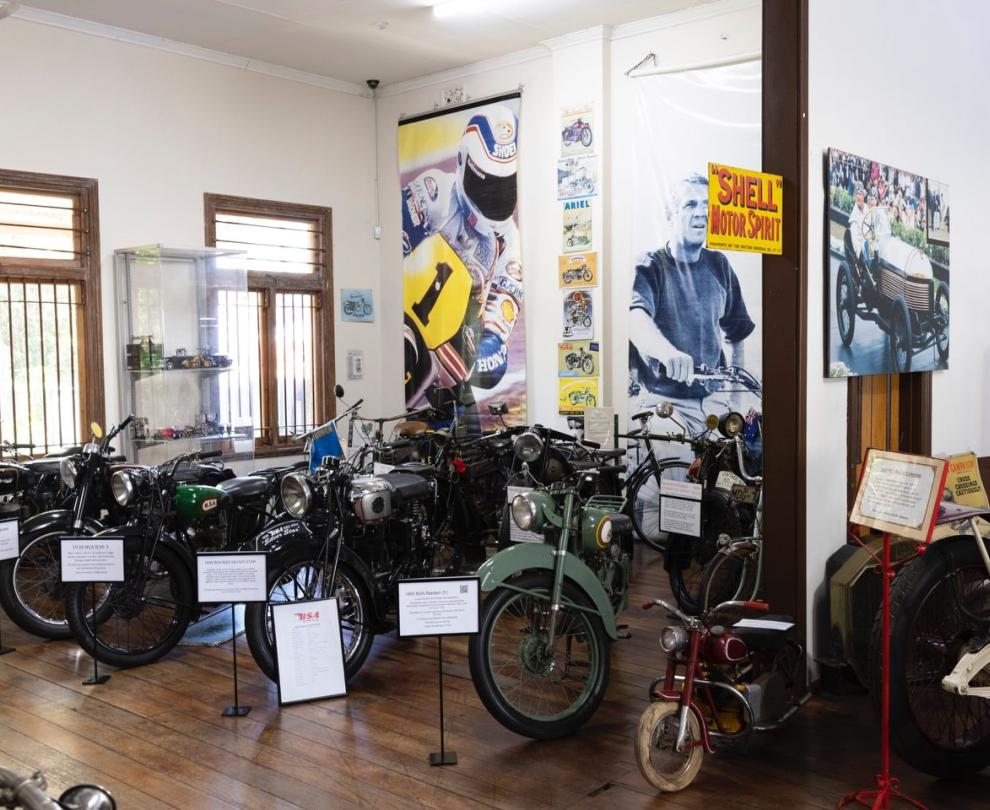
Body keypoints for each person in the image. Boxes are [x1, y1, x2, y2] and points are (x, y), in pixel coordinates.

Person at [401, 104, 524, 435]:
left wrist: (472, 356)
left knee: (473, 446)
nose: (494, 196)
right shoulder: (434, 192)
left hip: (456, 357)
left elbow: (498, 334)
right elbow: (391, 257)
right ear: (463, 163)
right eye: (486, 183)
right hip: (413, 323)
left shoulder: (511, 245)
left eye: (503, 185)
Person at [629, 172, 755, 431]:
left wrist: (735, 399)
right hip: (663, 402)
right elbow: (636, 318)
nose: (702, 213)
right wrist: (667, 353)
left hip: (713, 402)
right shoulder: (650, 265)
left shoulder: (719, 265)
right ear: (670, 215)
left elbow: (737, 333)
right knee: (671, 462)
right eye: (690, 204)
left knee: (733, 466)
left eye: (707, 205)